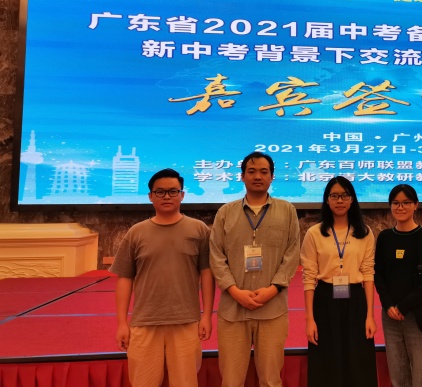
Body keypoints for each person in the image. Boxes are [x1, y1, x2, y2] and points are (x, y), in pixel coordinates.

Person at [110, 168, 214, 387]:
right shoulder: (136, 233)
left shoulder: (199, 230)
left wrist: (206, 316)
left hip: (186, 321)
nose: (167, 196)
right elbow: (125, 278)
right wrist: (122, 323)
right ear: (150, 196)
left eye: (173, 191)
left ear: (182, 195)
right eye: (160, 192)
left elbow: (207, 274)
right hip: (144, 323)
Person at [209, 152, 300, 387]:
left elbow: (292, 255)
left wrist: (273, 289)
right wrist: (234, 291)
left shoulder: (287, 210)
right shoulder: (225, 213)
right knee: (231, 381)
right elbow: (216, 256)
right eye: (251, 171)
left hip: (273, 310)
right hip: (233, 310)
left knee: (270, 380)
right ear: (242, 176)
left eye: (263, 172)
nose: (257, 176)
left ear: (272, 177)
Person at [300, 176, 378, 387]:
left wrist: (370, 316)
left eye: (344, 195)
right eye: (334, 196)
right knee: (327, 362)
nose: (340, 200)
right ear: (327, 200)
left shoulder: (365, 232)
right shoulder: (314, 233)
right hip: (325, 300)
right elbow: (309, 278)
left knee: (358, 362)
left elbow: (368, 273)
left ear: (352, 199)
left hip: (356, 301)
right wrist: (310, 319)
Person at [374, 184, 422, 387]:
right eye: (396, 203)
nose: (400, 207)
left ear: (416, 205)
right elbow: (379, 274)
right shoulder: (385, 238)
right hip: (391, 317)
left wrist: (404, 306)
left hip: (419, 315)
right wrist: (388, 305)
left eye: (406, 202)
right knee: (398, 376)